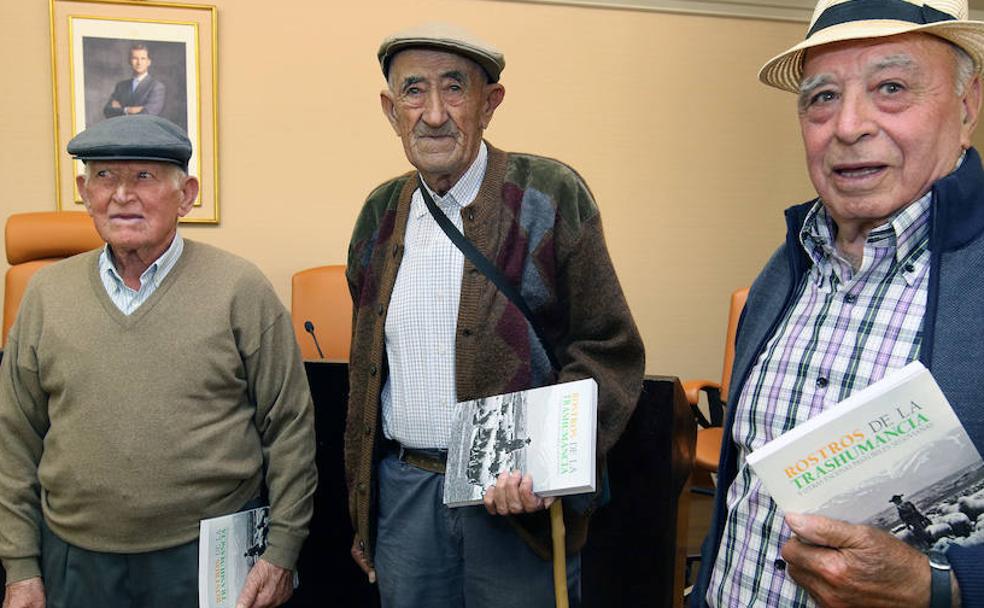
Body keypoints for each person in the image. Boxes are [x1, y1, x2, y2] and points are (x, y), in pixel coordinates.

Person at [691, 0, 984, 605]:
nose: (848, 126)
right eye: (822, 97)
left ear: (967, 104)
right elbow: (744, 492)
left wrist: (945, 590)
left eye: (892, 87)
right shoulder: (783, 271)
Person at [344, 22, 645, 608]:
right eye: (413, 91)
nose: (433, 114)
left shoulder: (550, 195)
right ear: (390, 108)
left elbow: (609, 350)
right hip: (406, 495)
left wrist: (544, 468)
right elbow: (367, 370)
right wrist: (363, 512)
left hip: (517, 509)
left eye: (454, 89)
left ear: (490, 103)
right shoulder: (379, 213)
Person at [0, 115, 317, 608]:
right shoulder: (44, 294)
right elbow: (15, 440)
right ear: (84, 192)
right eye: (104, 177)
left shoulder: (240, 289)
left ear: (186, 195)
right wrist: (20, 568)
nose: (121, 195)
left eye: (143, 177)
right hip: (75, 562)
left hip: (205, 561)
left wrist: (281, 554)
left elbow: (291, 428)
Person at [103, 44, 166, 118]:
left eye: (143, 58)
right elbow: (107, 111)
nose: (139, 63)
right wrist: (127, 110)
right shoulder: (121, 86)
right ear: (130, 61)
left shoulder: (156, 87)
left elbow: (149, 114)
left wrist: (120, 109)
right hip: (122, 128)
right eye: (135, 58)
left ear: (149, 62)